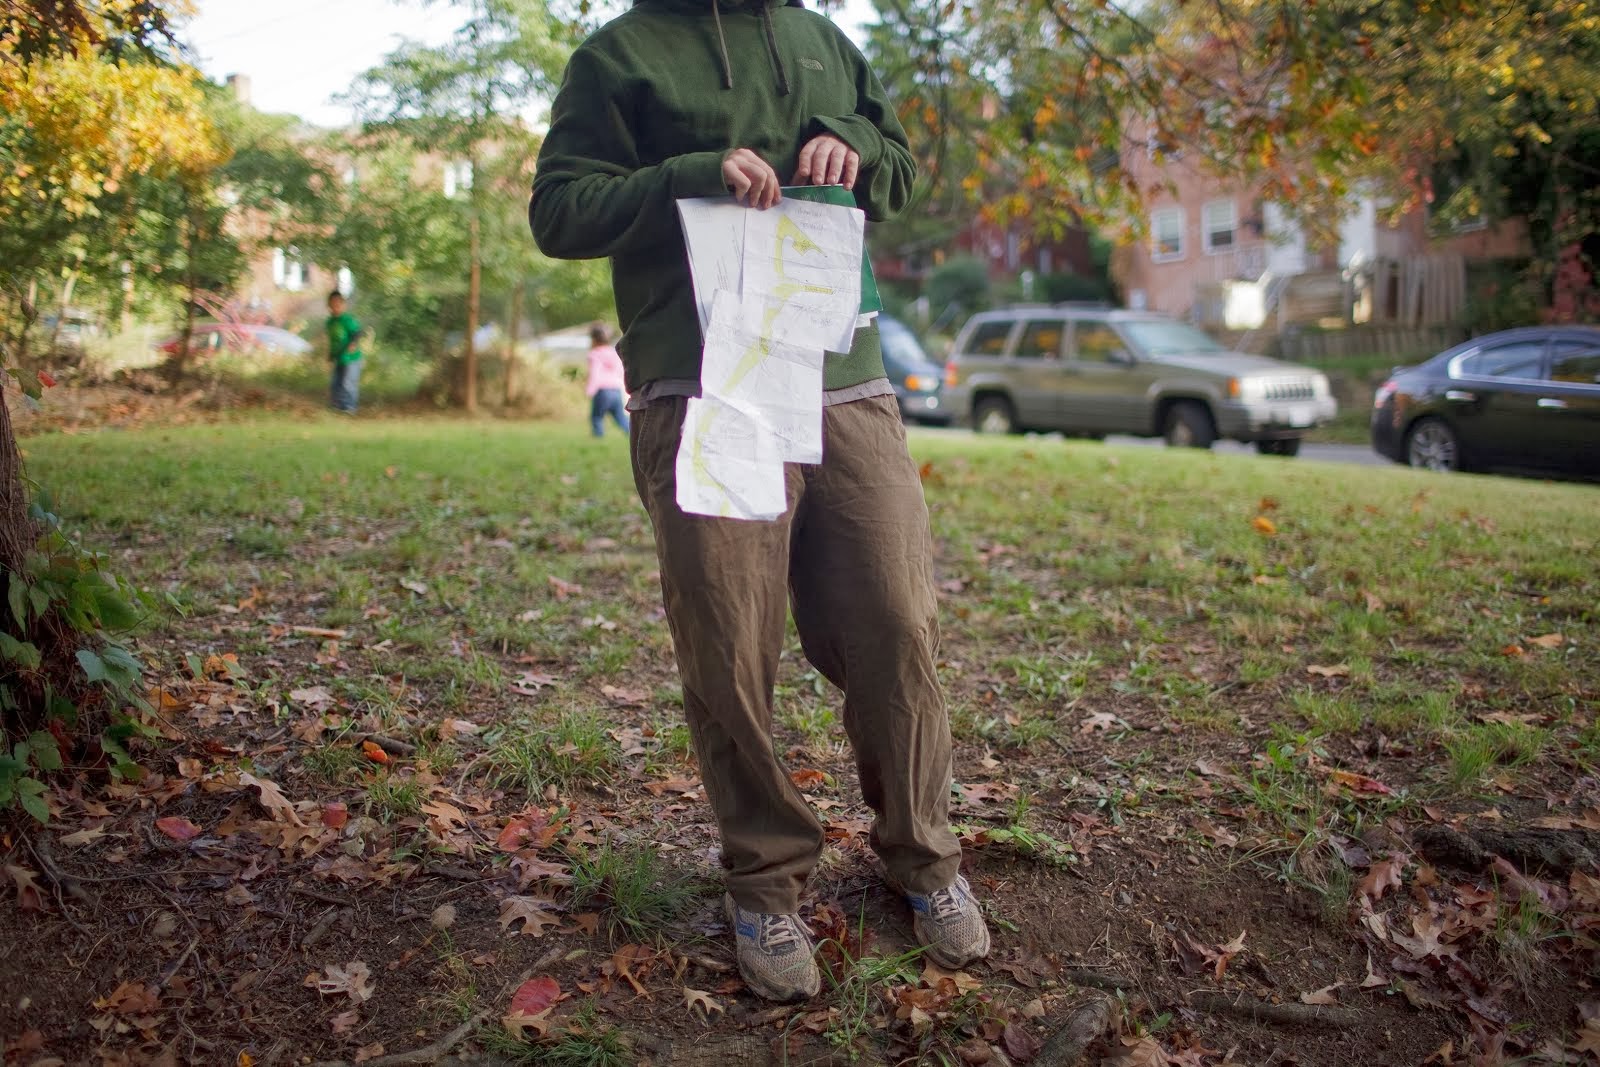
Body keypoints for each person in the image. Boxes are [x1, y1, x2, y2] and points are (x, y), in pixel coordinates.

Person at [530, 0, 989, 1003]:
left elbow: (902, 173)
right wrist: (689, 176)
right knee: (729, 641)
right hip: (705, 385)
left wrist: (857, 145)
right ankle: (765, 882)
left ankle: (923, 855)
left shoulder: (827, 41)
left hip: (842, 372)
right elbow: (558, 212)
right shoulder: (619, 57)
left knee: (896, 619)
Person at [585, 322, 630, 437]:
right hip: (616, 390)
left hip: (602, 391)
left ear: (593, 339)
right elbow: (621, 371)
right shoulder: (614, 352)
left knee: (596, 417)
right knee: (620, 417)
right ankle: (633, 433)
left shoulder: (594, 354)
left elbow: (595, 373)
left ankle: (598, 437)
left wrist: (590, 390)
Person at [325, 291, 363, 414]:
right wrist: (330, 355)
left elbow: (357, 333)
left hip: (351, 358)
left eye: (338, 304)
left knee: (348, 382)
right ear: (329, 305)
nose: (336, 307)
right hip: (339, 357)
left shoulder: (347, 320)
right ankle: (338, 405)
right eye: (333, 304)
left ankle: (349, 407)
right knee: (336, 382)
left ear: (343, 305)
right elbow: (332, 341)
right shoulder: (330, 322)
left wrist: (353, 343)